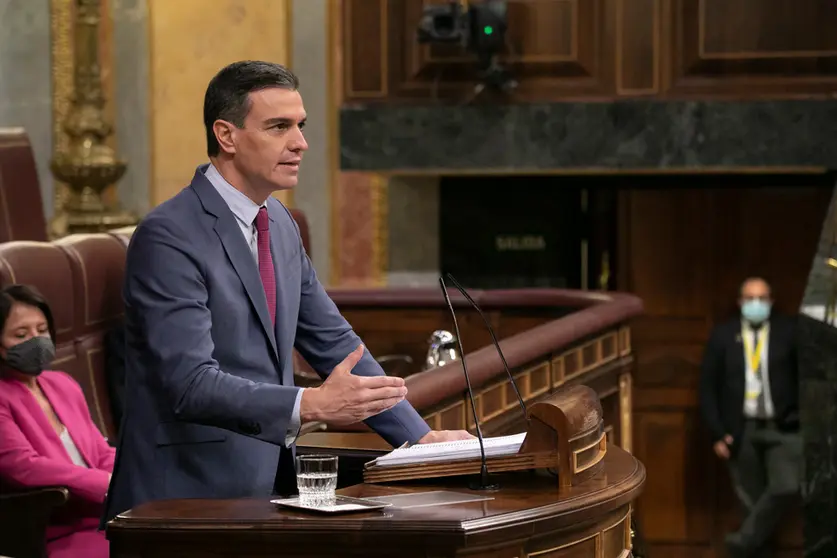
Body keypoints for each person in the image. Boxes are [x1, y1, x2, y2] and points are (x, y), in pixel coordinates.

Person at [102, 61, 472, 524]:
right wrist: (310, 404)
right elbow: (189, 384)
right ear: (227, 135)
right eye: (279, 127)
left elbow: (336, 344)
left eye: (300, 126)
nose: (300, 143)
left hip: (269, 486)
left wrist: (416, 440)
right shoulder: (169, 235)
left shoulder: (277, 223)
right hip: (183, 495)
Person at [0, 284, 114, 558]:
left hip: (105, 517)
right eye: (21, 334)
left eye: (41, 330)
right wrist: (104, 484)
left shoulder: (62, 383)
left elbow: (100, 452)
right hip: (52, 531)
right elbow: (22, 466)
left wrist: (129, 478)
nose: (36, 341)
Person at [699, 277, 801, 558]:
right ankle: (755, 551)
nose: (756, 304)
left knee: (787, 485)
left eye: (762, 298)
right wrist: (718, 433)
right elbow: (708, 388)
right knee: (750, 503)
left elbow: (808, 377)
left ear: (771, 301)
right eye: (750, 298)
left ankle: (740, 543)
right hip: (740, 430)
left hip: (784, 428)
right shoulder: (723, 335)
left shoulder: (788, 331)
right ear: (740, 303)